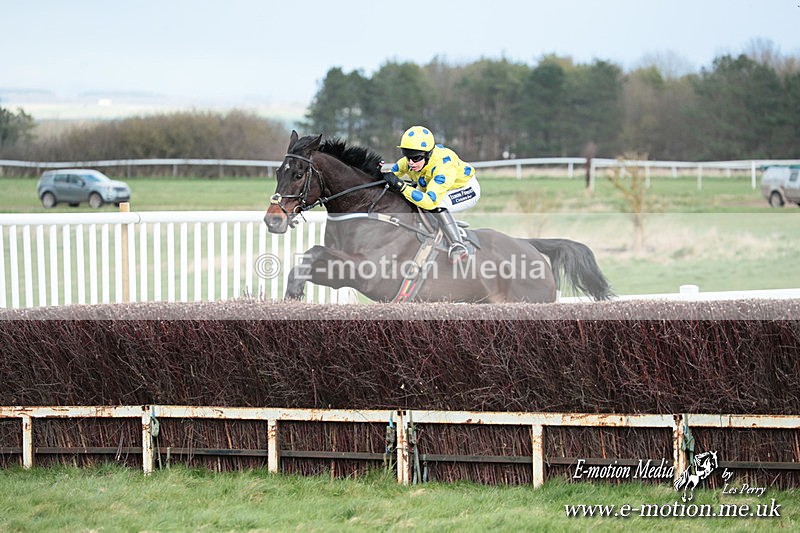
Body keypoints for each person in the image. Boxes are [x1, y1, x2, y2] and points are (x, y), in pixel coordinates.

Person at [383, 126, 481, 263]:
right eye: (407, 157)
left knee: (436, 204)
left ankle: (458, 245)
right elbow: (390, 175)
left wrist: (401, 186)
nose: (411, 163)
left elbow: (430, 201)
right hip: (438, 188)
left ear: (428, 154)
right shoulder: (411, 160)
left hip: (466, 189)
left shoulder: (444, 166)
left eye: (415, 158)